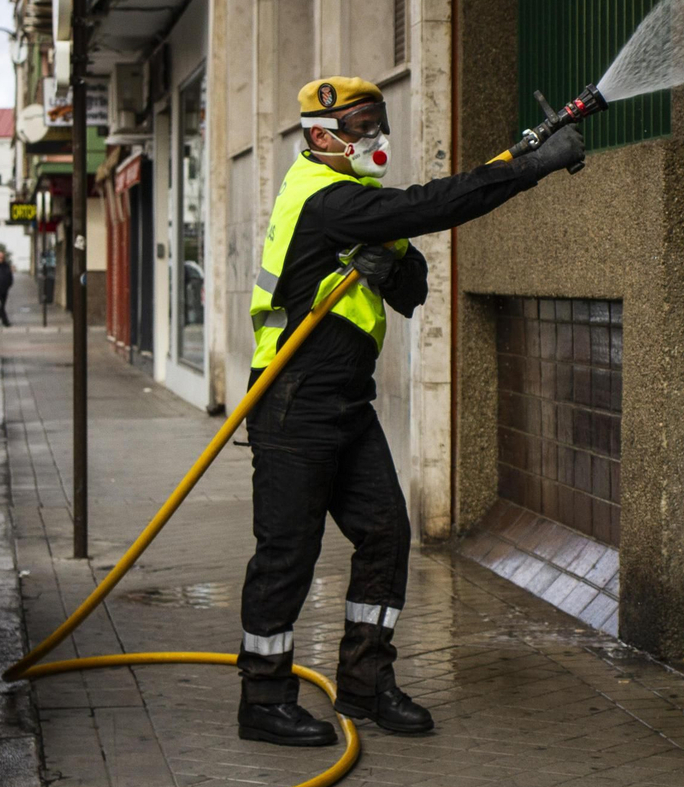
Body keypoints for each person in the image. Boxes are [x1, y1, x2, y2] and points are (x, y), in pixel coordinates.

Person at [237, 76, 584, 747]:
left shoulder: (361, 203)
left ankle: (366, 682)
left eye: (376, 120)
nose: (375, 136)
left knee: (386, 533)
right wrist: (530, 166)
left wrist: (384, 268)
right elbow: (435, 205)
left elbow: (415, 286)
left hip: (344, 399)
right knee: (287, 552)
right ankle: (263, 697)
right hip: (292, 396)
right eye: (360, 124)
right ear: (319, 135)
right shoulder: (323, 197)